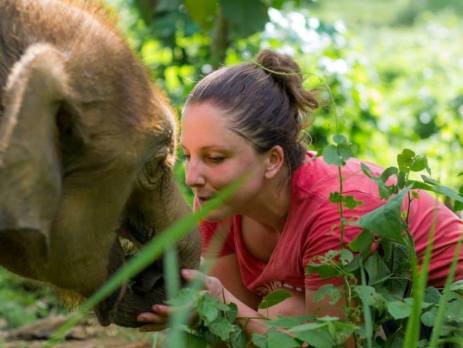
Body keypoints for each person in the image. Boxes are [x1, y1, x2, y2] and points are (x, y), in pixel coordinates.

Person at [136, 49, 463, 338]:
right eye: (189, 156)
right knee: (281, 313)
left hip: (446, 310)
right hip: (381, 314)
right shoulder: (218, 203)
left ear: (273, 160)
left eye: (215, 158)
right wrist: (208, 309)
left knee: (288, 312)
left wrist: (222, 301)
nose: (192, 177)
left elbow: (334, 342)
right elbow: (246, 329)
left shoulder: (333, 211)